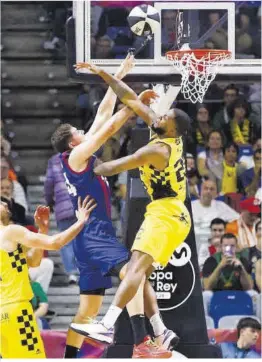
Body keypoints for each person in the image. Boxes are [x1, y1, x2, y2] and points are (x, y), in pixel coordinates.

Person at [51, 56, 176, 359]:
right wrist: (132, 107)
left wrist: (120, 74)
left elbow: (103, 113)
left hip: (87, 237)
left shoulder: (76, 155)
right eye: (78, 131)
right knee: (134, 273)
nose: (84, 130)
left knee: (88, 308)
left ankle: (70, 357)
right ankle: (143, 341)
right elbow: (107, 129)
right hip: (96, 234)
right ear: (72, 143)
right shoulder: (77, 157)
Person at [0, 196, 95, 358]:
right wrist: (80, 222)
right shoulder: (11, 231)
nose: (4, 203)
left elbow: (33, 262)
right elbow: (55, 243)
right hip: (17, 310)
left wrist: (42, 230)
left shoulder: (10, 239)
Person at [44, 153, 78, 285]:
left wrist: (49, 202)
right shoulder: (83, 153)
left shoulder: (54, 160)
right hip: (82, 204)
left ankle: (72, 273)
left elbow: (49, 183)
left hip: (62, 206)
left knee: (66, 241)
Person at [191, 179, 239, 248]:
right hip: (195, 243)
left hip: (215, 246)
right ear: (200, 191)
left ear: (216, 193)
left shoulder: (221, 206)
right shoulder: (191, 206)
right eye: (206, 188)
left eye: (211, 189)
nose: (208, 191)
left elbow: (238, 219)